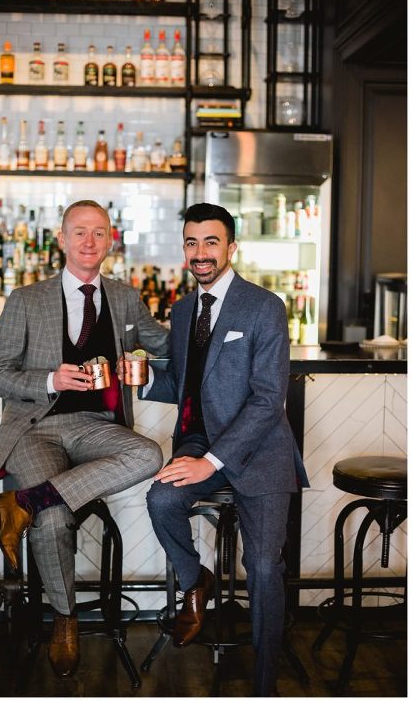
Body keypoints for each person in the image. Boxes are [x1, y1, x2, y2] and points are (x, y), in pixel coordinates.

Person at [0, 199, 169, 679]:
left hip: (97, 426)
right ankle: (65, 620)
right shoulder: (26, 299)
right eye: (80, 232)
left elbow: (168, 344)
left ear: (110, 241)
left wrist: (207, 313)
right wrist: (51, 380)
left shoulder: (125, 297)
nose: (90, 241)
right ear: (62, 239)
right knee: (52, 520)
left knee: (148, 453)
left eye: (99, 232)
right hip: (36, 427)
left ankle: (22, 502)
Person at [131, 202, 309, 697]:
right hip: (198, 442)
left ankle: (265, 683)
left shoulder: (265, 306)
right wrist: (143, 379)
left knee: (264, 567)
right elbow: (186, 383)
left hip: (260, 453)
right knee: (161, 499)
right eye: (192, 242)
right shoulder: (183, 309)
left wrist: (209, 462)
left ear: (231, 247)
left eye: (211, 242)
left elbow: (268, 400)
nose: (201, 252)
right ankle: (197, 580)